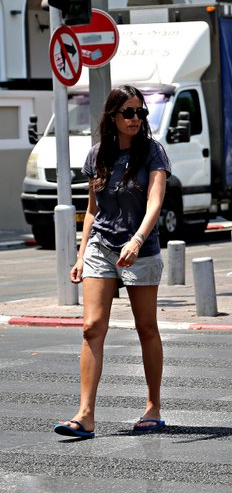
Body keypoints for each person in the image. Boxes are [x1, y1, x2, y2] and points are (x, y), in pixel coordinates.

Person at [53, 85, 171, 439]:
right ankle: (85, 414)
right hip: (102, 246)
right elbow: (92, 209)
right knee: (91, 327)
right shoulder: (97, 155)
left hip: (140, 248)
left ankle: (153, 406)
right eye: (129, 112)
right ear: (113, 117)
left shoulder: (152, 152)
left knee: (146, 327)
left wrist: (137, 239)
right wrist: (80, 254)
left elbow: (155, 202)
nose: (136, 119)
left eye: (141, 113)